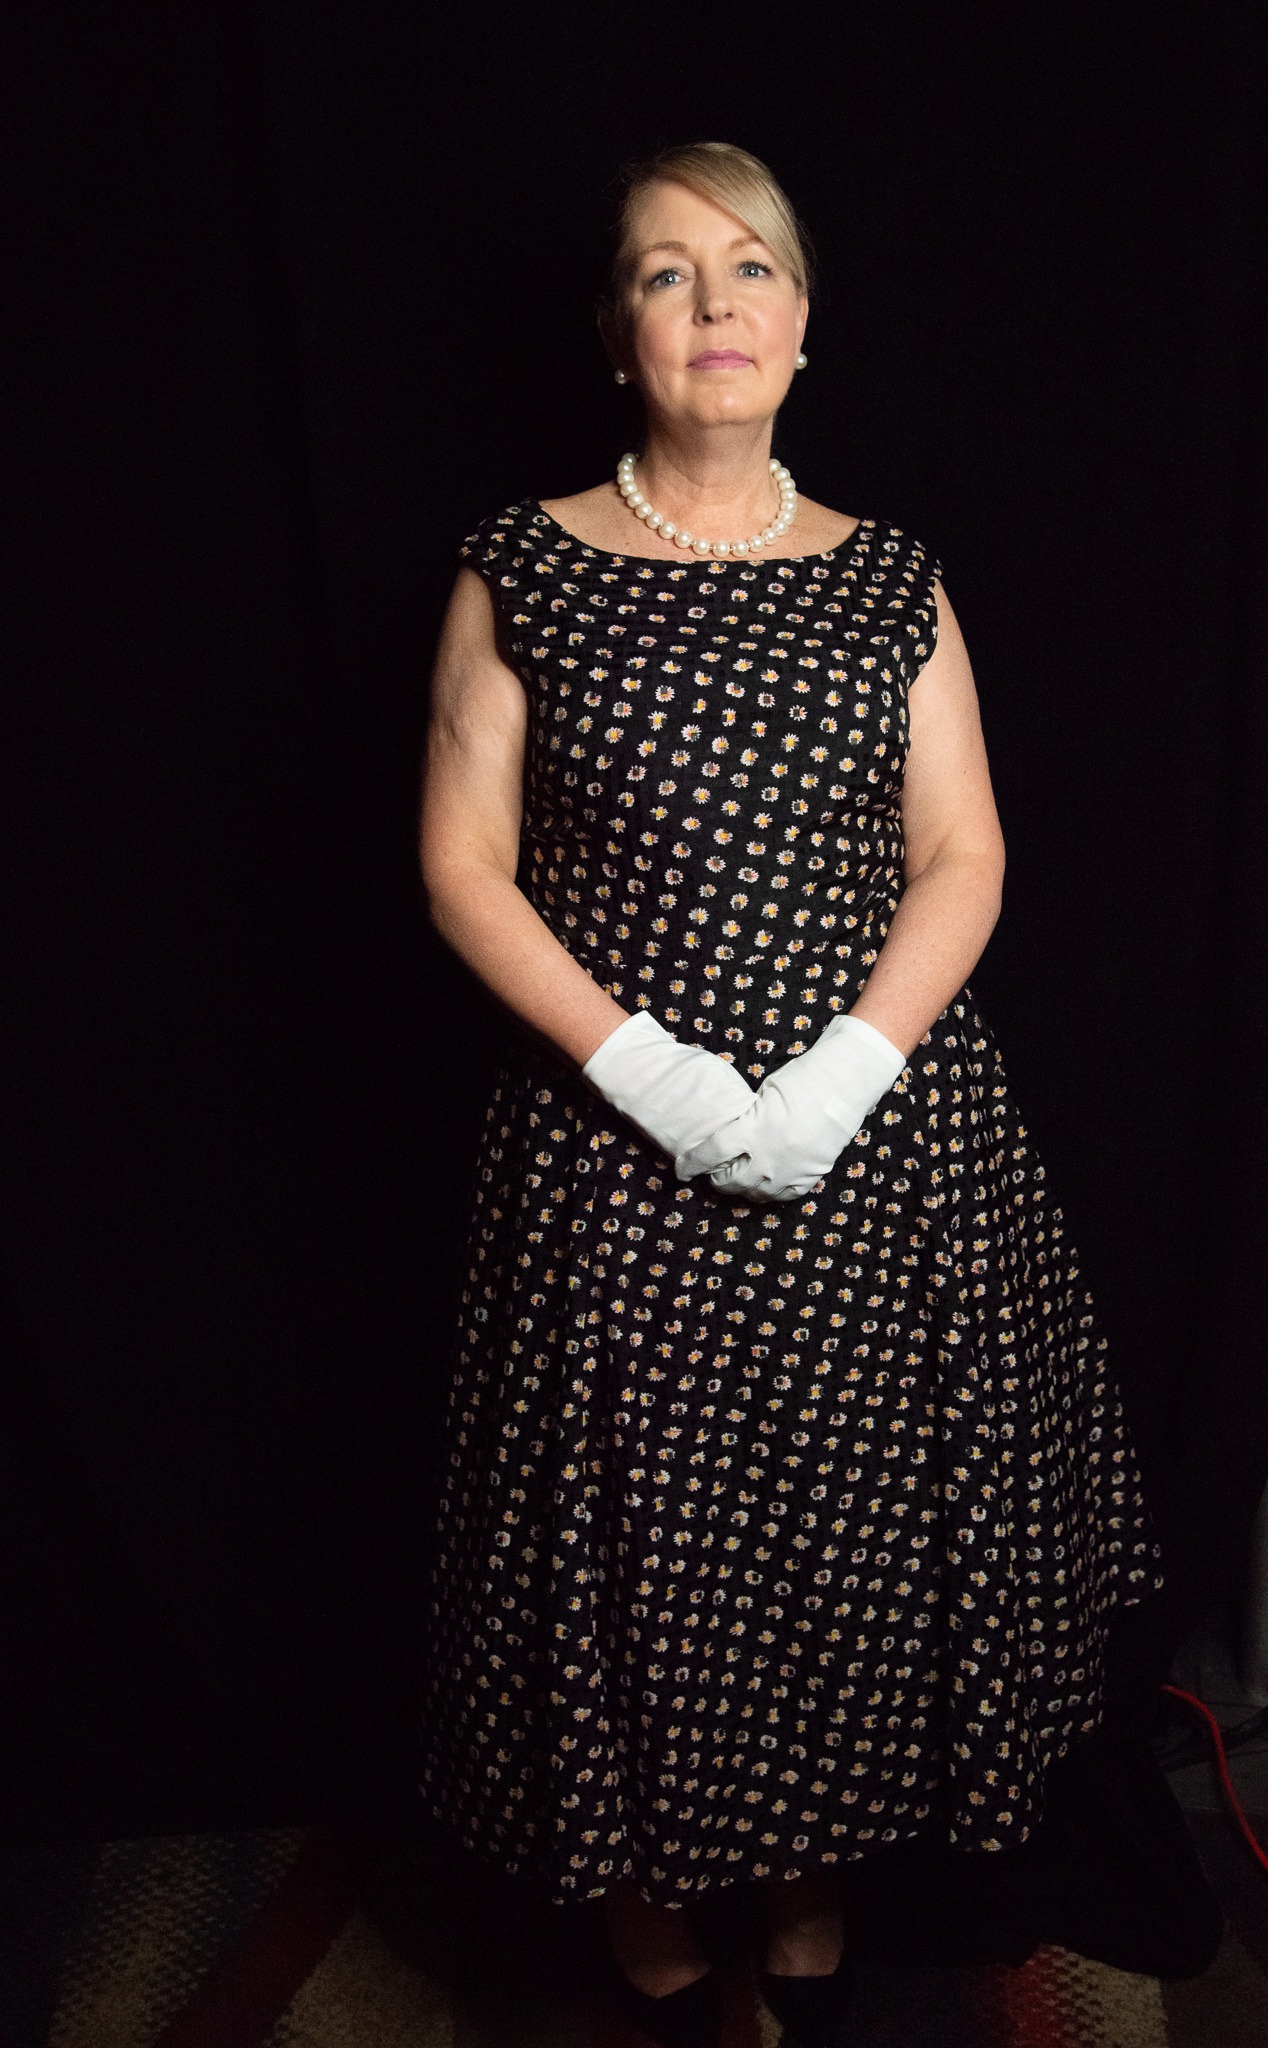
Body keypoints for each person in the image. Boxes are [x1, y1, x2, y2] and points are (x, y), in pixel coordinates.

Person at [415, 141, 1165, 2048]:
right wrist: (648, 1072)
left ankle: (812, 1922)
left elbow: (965, 852)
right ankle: (660, 1939)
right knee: (653, 1574)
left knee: (847, 1556)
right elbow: (462, 865)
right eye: (667, 273)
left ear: (805, 322)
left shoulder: (893, 575)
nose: (715, 303)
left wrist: (845, 1071)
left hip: (876, 1155)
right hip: (618, 1164)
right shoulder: (523, 563)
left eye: (750, 267)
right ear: (619, 333)